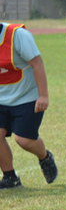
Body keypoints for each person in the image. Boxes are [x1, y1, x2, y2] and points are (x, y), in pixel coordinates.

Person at [0, 23, 58, 189]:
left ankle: (45, 158)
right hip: (1, 98)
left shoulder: (17, 36)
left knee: (24, 140)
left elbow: (37, 64)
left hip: (26, 97)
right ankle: (10, 178)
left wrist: (43, 95)